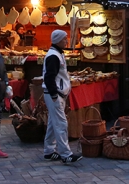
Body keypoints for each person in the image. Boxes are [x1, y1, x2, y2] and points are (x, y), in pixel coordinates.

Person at [42, 29, 82, 164]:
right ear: (58, 40)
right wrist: (54, 94)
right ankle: (66, 154)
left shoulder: (58, 54)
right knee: (61, 123)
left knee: (54, 123)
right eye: (65, 39)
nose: (67, 40)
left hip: (58, 93)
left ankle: (49, 151)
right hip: (55, 94)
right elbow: (49, 77)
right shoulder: (53, 56)